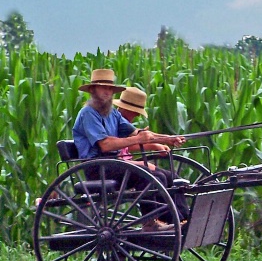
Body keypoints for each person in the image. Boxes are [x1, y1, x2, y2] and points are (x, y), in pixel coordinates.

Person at [72, 69, 186, 231]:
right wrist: (138, 139)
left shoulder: (112, 114)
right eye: (102, 88)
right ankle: (151, 222)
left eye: (110, 88)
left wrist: (167, 138)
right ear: (92, 90)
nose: (107, 92)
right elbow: (105, 144)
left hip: (114, 164)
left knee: (169, 176)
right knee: (151, 177)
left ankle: (183, 219)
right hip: (97, 167)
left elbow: (137, 133)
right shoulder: (88, 113)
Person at [113, 86, 191, 222]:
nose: (137, 115)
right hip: (117, 165)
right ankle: (165, 220)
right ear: (125, 108)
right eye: (135, 112)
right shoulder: (115, 121)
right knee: (156, 177)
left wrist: (158, 143)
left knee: (171, 177)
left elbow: (135, 142)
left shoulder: (122, 122)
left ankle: (185, 217)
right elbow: (120, 149)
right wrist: (165, 139)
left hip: (125, 163)